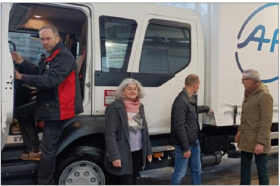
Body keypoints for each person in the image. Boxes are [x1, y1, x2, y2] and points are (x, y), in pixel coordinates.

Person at [12, 25, 83, 184]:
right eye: (42, 39)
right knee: (23, 113)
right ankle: (33, 150)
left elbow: (51, 80)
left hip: (59, 108)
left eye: (48, 38)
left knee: (48, 150)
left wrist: (21, 77)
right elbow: (39, 73)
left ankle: (45, 182)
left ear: (57, 39)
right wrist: (21, 61)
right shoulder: (51, 56)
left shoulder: (64, 57)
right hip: (49, 102)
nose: (44, 42)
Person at [104, 78, 152, 185]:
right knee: (124, 182)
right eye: (129, 89)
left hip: (137, 154)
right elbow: (110, 135)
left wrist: (148, 151)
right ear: (123, 92)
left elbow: (144, 131)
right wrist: (115, 156)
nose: (133, 91)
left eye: (135, 89)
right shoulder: (114, 108)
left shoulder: (140, 107)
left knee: (133, 181)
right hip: (122, 154)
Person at [170, 74, 213, 185]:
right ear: (195, 85)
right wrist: (185, 148)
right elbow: (179, 126)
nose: (198, 87)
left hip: (194, 142)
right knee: (180, 172)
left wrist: (206, 108)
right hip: (185, 144)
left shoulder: (189, 99)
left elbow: (193, 110)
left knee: (197, 170)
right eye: (199, 85)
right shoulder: (181, 101)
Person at [235, 69, 273, 185]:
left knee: (261, 169)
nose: (242, 83)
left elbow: (266, 121)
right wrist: (239, 132)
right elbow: (245, 116)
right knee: (244, 168)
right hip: (246, 138)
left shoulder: (264, 95)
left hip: (257, 140)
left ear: (250, 80)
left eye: (243, 80)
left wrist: (260, 142)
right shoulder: (248, 92)